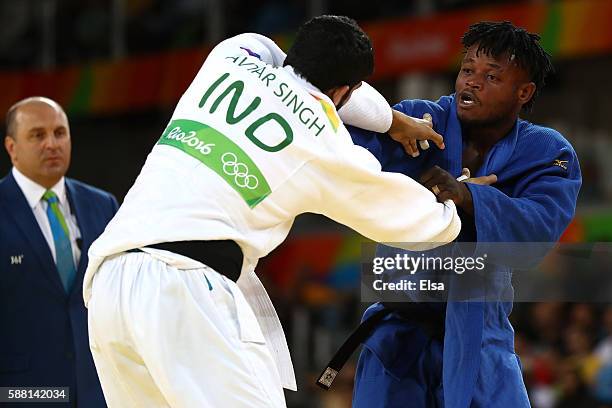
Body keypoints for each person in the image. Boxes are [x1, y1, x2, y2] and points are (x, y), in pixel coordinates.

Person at [83, 15, 462, 408]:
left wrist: (392, 121)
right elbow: (417, 223)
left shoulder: (232, 55)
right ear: (343, 92)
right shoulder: (323, 144)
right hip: (183, 288)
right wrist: (461, 198)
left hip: (110, 281)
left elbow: (281, 62)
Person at [348, 21, 581, 407]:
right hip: (396, 332)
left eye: (492, 76)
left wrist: (469, 198)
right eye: (467, 70)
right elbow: (342, 151)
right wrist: (387, 122)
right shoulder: (417, 122)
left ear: (524, 92)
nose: (471, 83)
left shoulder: (545, 152)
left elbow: (537, 233)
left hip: (480, 332)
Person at [0, 96, 118, 407]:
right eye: (38, 135)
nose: (52, 144)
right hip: (23, 395)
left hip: (98, 390)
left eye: (59, 133)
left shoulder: (103, 204)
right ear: (12, 148)